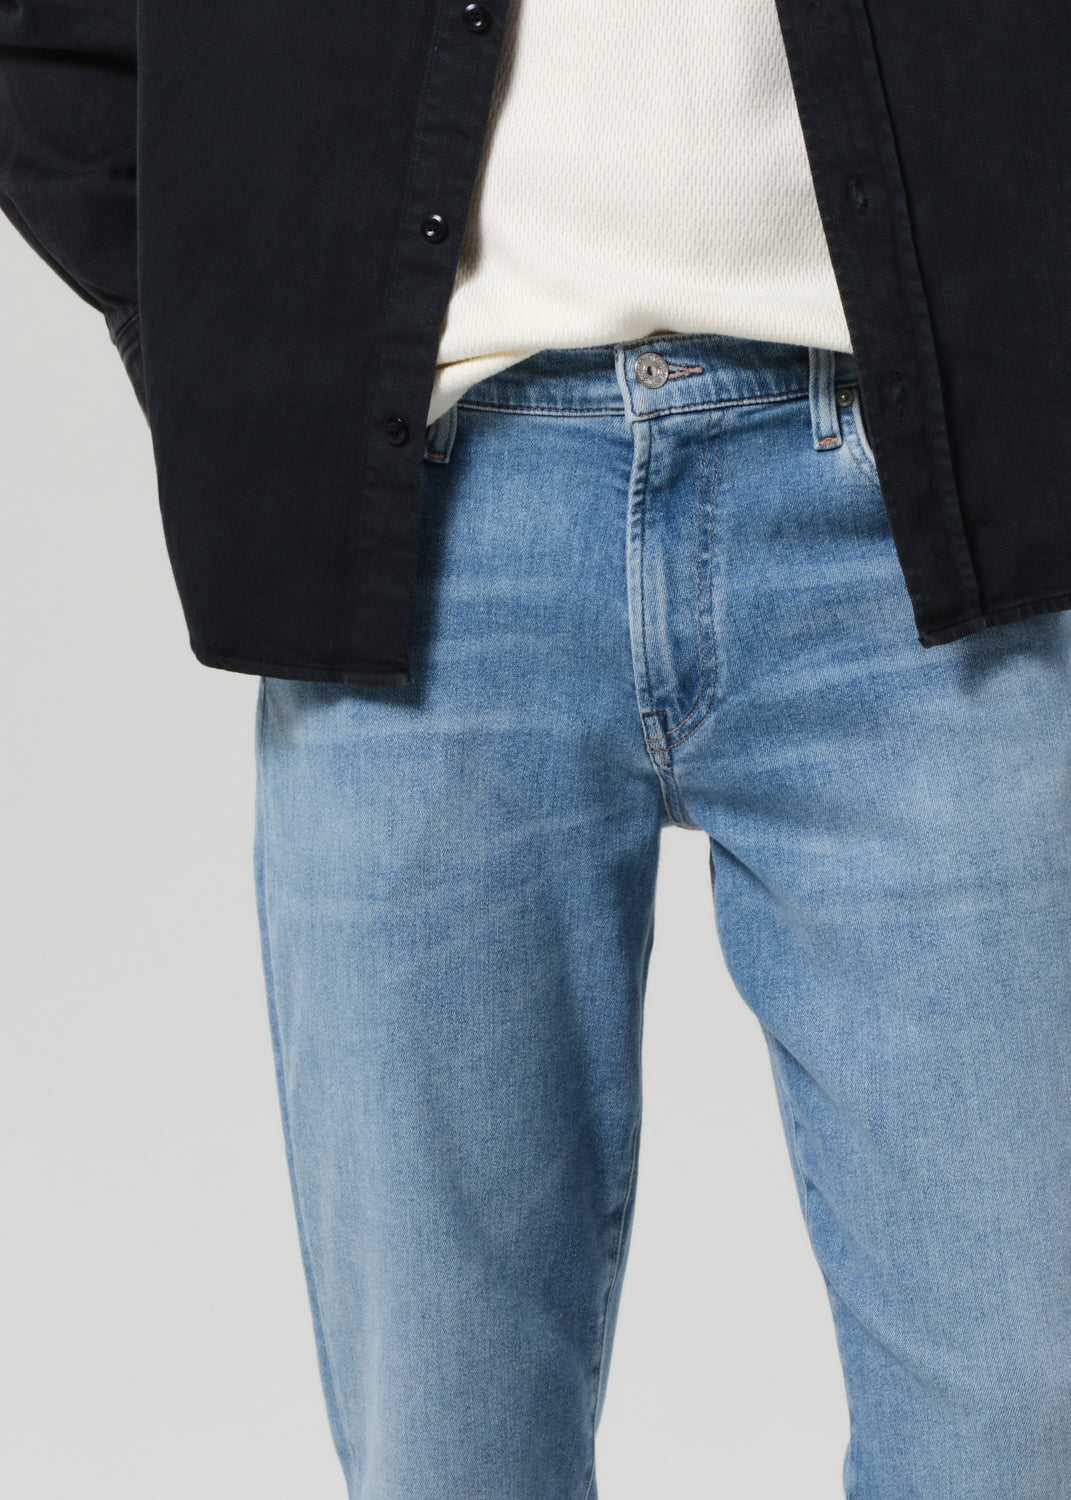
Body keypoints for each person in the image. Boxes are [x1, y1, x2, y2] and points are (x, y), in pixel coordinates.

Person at [3, 1, 1071, 1495]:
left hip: (924, 497)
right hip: (431, 526)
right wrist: (239, 316)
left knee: (1024, 1425)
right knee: (445, 1451)